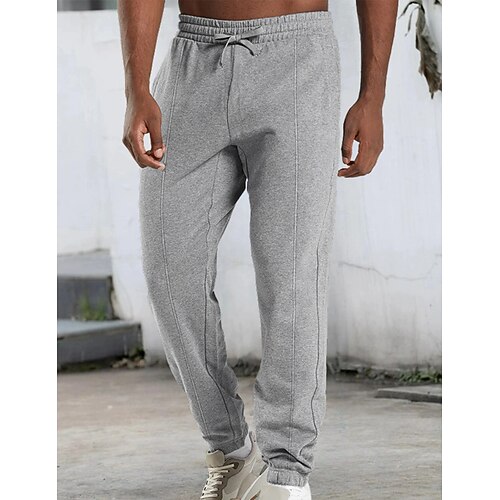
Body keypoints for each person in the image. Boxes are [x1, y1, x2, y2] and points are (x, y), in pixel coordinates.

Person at [119, 0, 397, 498]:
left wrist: (372, 96)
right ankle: (231, 449)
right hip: (193, 59)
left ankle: (287, 474)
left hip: (299, 61)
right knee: (169, 271)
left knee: (290, 277)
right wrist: (136, 88)